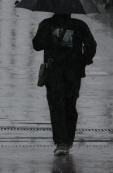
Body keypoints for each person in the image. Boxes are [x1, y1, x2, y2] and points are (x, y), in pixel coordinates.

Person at [33, 13, 96, 156]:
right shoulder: (78, 25)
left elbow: (37, 45)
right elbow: (91, 46)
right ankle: (65, 141)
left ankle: (62, 142)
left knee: (59, 106)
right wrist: (83, 60)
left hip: (58, 71)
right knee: (68, 105)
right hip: (68, 72)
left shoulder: (48, 24)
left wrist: (50, 36)